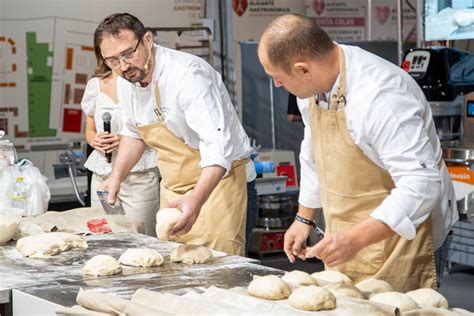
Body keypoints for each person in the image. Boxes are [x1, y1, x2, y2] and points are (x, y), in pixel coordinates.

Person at [257, 14, 458, 292]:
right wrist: (305, 218)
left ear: (303, 70)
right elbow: (314, 153)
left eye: (278, 78)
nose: (278, 85)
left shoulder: (380, 96)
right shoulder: (314, 87)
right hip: (346, 231)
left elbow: (421, 186)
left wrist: (356, 239)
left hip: (402, 235)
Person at [95, 13, 256, 256]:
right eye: (113, 60)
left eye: (128, 53)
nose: (123, 66)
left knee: (220, 275)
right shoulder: (125, 80)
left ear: (147, 40)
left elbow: (217, 148)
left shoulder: (187, 75)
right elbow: (134, 131)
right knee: (177, 275)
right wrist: (116, 176)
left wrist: (196, 199)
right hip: (174, 188)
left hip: (219, 185)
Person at [81, 50, 159, 236]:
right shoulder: (95, 86)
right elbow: (89, 130)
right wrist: (95, 140)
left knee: (143, 240)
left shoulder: (145, 84)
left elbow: (159, 131)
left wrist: (126, 140)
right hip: (102, 174)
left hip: (138, 176)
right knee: (103, 239)